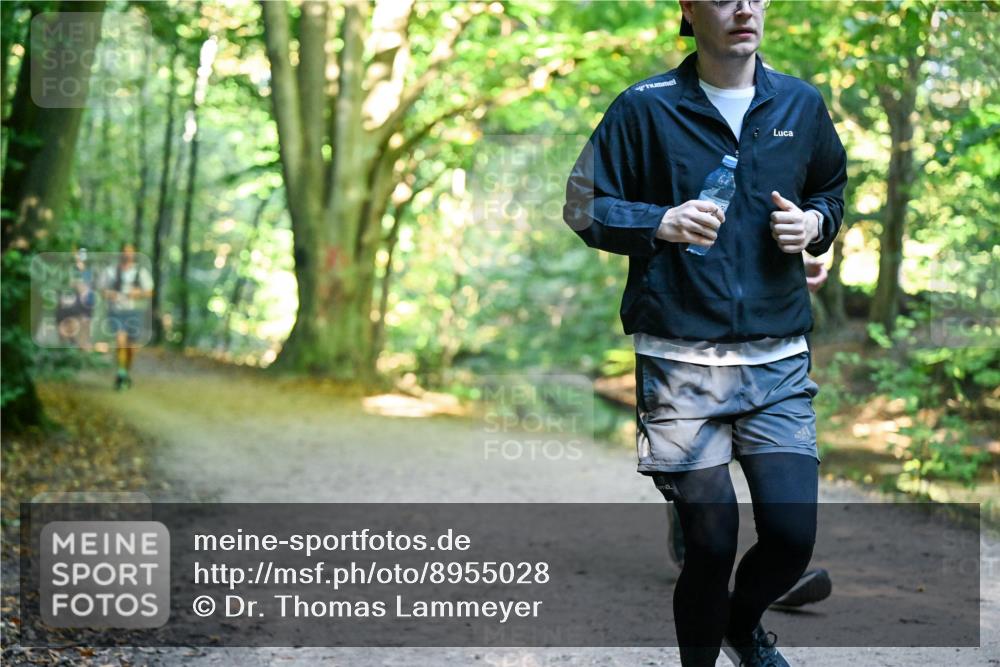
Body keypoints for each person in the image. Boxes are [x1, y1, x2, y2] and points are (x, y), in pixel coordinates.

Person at [562, 1, 847, 665]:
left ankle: (743, 627)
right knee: (711, 544)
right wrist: (658, 221)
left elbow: (830, 188)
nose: (745, 7)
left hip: (777, 360)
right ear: (689, 8)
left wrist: (815, 225)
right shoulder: (645, 106)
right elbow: (584, 203)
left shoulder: (802, 106)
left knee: (789, 537)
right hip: (679, 363)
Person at [102, 243, 153, 390]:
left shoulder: (140, 272)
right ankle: (120, 372)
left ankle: (126, 372)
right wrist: (110, 294)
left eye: (130, 252)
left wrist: (138, 293)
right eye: (125, 252)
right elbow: (103, 290)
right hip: (117, 311)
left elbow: (149, 291)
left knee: (131, 348)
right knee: (120, 341)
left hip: (134, 312)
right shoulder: (112, 271)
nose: (127, 254)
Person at [55, 247, 96, 349]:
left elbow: (87, 295)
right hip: (67, 309)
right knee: (65, 335)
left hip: (81, 310)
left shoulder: (88, 274)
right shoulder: (66, 272)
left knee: (82, 338)